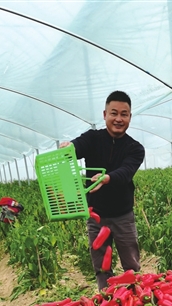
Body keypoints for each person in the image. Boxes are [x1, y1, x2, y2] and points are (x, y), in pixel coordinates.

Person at [60, 91, 145, 290]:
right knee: (101, 266)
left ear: (130, 117)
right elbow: (78, 146)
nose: (118, 119)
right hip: (96, 216)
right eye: (113, 113)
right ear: (105, 114)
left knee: (131, 265)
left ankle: (134, 297)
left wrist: (107, 178)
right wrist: (69, 147)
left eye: (124, 114)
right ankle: (106, 299)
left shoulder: (135, 148)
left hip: (123, 216)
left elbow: (126, 172)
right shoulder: (93, 138)